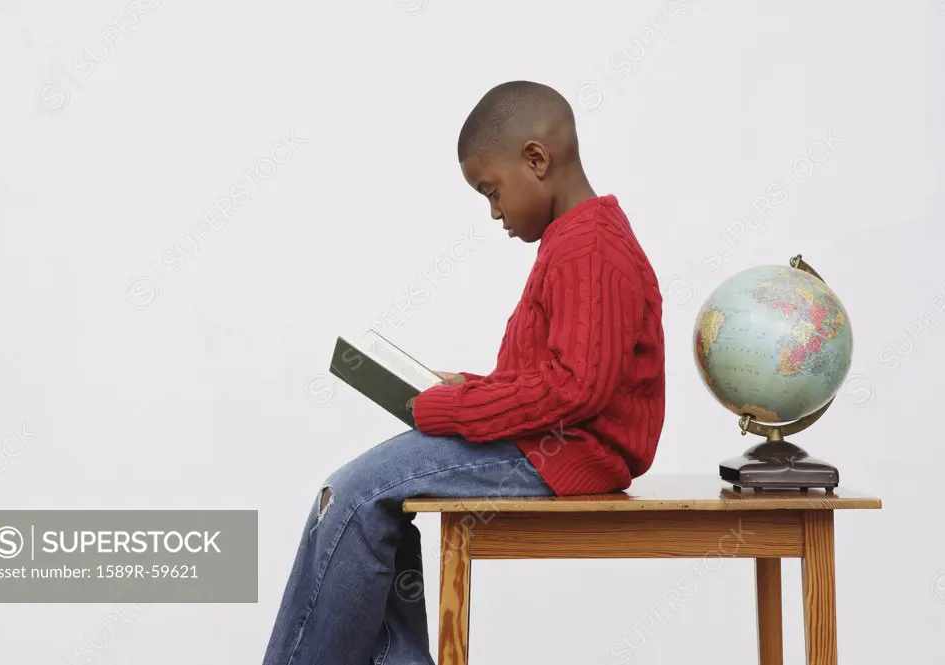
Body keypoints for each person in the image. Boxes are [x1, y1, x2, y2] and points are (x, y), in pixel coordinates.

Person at [262, 80, 666, 665]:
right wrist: (471, 389)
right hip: (550, 444)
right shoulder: (573, 242)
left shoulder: (588, 246)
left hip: (565, 453)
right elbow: (552, 376)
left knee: (351, 495)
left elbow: (577, 387)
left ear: (536, 159)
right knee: (380, 509)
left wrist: (450, 408)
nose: (495, 211)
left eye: (491, 190)